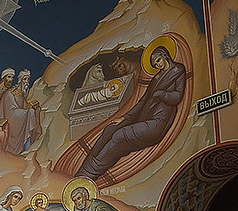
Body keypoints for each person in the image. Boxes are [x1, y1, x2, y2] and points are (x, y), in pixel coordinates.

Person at [75, 45, 185, 180]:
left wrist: (160, 94)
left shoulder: (178, 70)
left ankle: (89, 175)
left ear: (165, 56)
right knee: (111, 129)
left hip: (158, 122)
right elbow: (143, 101)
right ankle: (84, 170)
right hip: (143, 117)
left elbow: (177, 97)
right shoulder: (156, 78)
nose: (157, 65)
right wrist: (125, 117)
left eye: (158, 61)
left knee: (120, 135)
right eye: (155, 64)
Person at [0, 69, 41, 155]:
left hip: (22, 124)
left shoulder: (22, 95)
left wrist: (34, 109)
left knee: (31, 115)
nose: (27, 82)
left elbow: (25, 107)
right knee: (30, 115)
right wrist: (29, 113)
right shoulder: (9, 94)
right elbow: (11, 113)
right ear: (20, 80)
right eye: (25, 79)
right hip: (12, 126)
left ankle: (27, 151)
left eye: (28, 79)